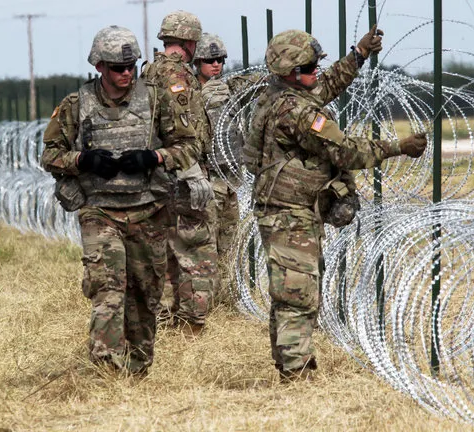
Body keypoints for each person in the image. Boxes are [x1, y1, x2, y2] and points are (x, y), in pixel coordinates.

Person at [245, 28, 427, 381]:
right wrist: (396, 148)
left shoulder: (277, 95)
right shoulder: (297, 112)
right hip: (290, 215)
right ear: (292, 72)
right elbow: (345, 150)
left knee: (292, 291)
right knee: (297, 295)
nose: (316, 73)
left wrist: (358, 54)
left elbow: (324, 86)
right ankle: (296, 374)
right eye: (310, 67)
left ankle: (293, 364)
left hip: (286, 210)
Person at [41, 25, 202, 375]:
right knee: (108, 291)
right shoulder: (77, 105)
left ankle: (137, 368)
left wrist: (155, 158)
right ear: (99, 65)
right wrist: (82, 161)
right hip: (100, 211)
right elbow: (50, 155)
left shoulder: (156, 99)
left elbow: (189, 146)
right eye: (117, 67)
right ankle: (106, 372)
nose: (126, 73)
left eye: (131, 66)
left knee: (146, 295)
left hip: (149, 211)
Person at [145, 11, 218, 336]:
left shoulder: (148, 72)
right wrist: (192, 172)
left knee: (167, 250)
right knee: (198, 251)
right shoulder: (176, 77)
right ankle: (192, 325)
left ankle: (164, 319)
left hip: (156, 175)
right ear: (190, 42)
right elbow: (179, 127)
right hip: (181, 177)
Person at [192, 33, 240, 303]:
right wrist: (201, 99)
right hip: (207, 178)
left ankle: (227, 298)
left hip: (231, 178)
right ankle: (204, 300)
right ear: (198, 62)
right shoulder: (189, 96)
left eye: (220, 60)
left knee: (229, 242)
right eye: (210, 60)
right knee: (206, 243)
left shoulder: (229, 91)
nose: (216, 65)